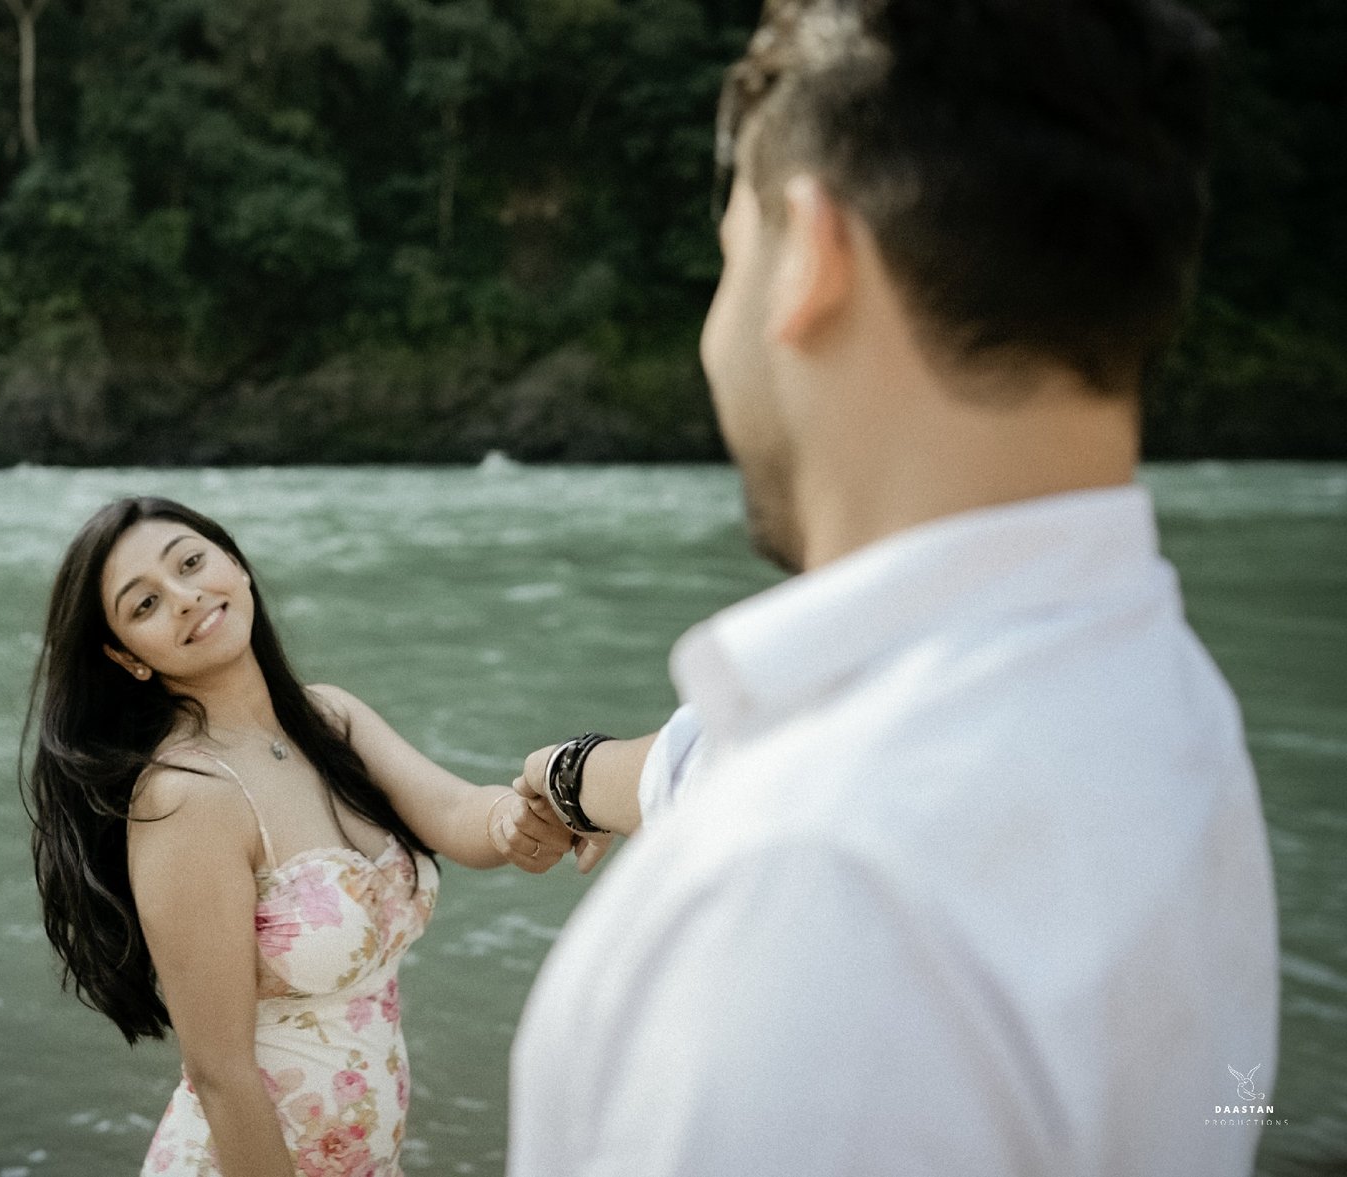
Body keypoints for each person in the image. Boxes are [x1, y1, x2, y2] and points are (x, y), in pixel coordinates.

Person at [507, 1, 1279, 1174]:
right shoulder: (1167, 700)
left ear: (809, 252)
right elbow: (711, 761)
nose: (717, 335)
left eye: (729, 261)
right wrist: (568, 777)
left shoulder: (800, 886)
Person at [21, 496, 571, 1177]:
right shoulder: (186, 796)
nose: (187, 596)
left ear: (235, 563)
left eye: (192, 562)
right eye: (145, 604)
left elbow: (462, 814)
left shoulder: (327, 717)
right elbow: (219, 1071)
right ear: (126, 656)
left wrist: (537, 807)